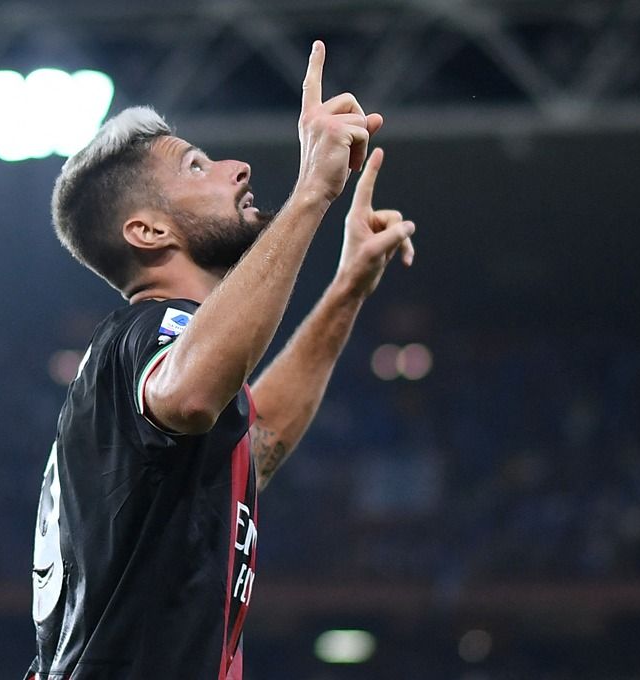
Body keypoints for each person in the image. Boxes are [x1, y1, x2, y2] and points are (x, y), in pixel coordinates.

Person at [25, 40, 416, 679]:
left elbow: (257, 440)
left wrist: (346, 288)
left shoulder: (152, 377)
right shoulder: (144, 335)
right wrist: (313, 190)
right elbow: (189, 393)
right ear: (148, 232)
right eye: (197, 166)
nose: (236, 168)